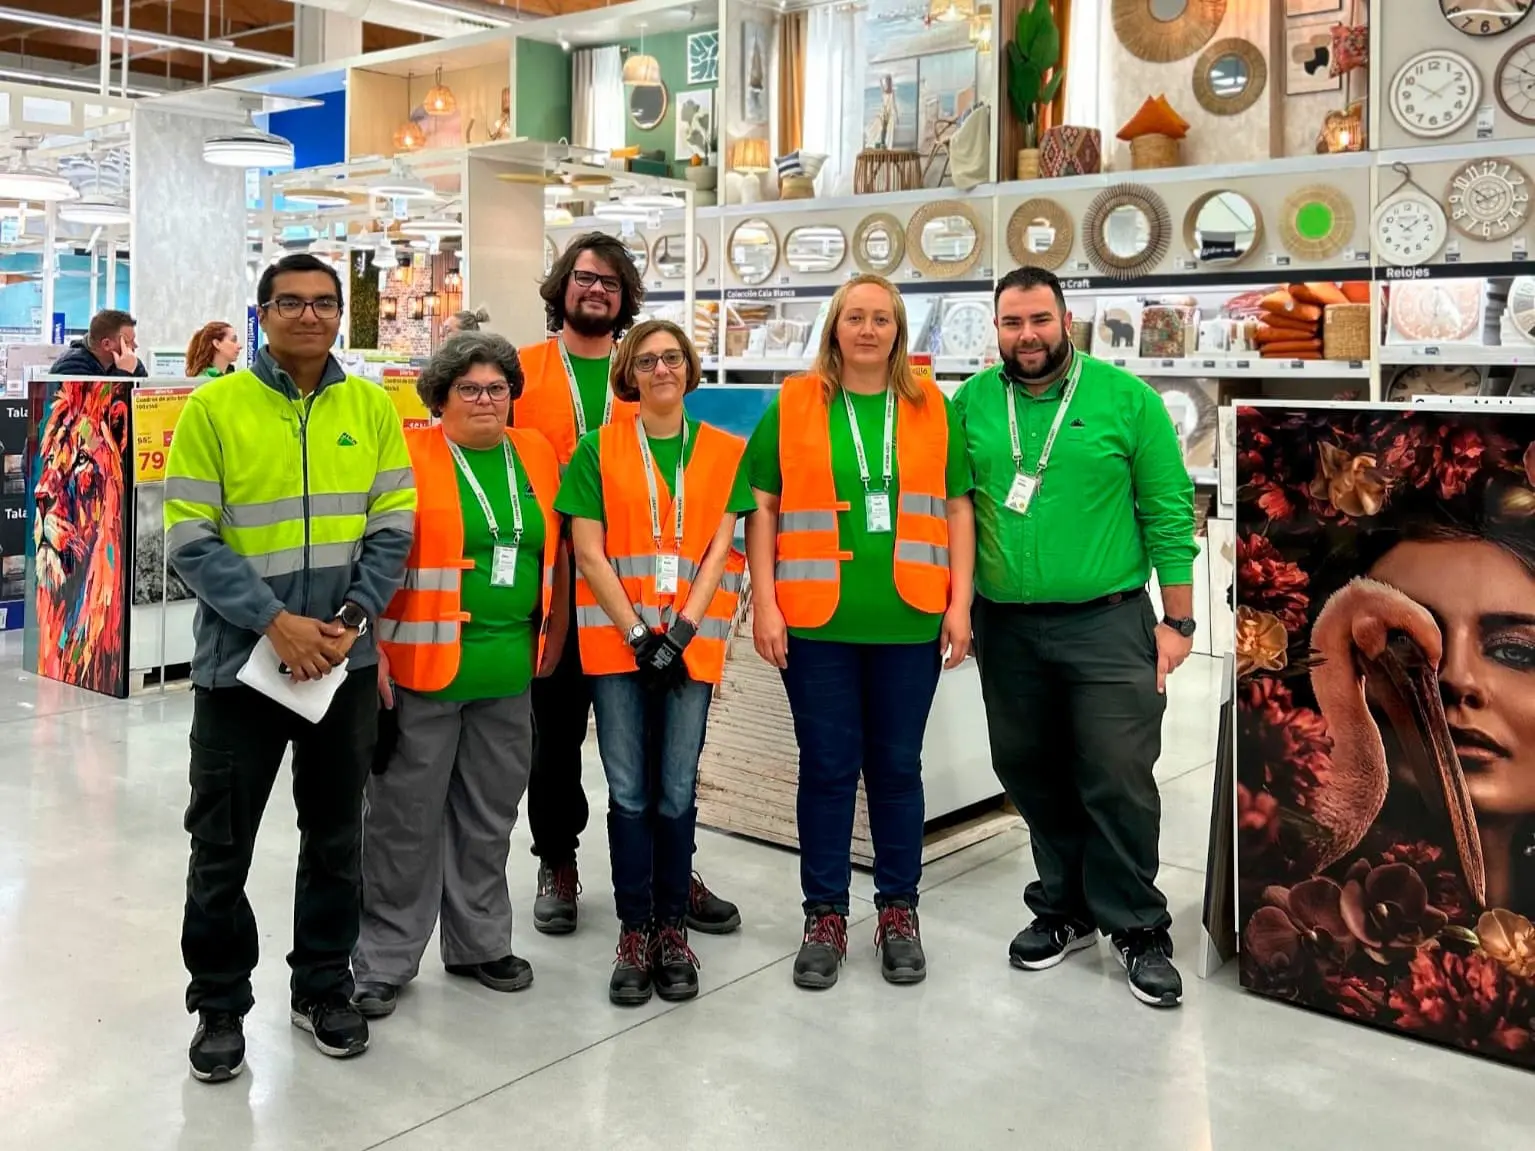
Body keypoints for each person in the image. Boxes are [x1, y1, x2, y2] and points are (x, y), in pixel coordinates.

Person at [164, 253, 416, 1081]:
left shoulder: (371, 407)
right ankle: (219, 1003)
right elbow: (190, 536)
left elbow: (393, 525)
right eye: (290, 302)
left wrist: (349, 622)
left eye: (323, 302)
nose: (309, 315)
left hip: (343, 662)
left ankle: (322, 986)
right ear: (263, 312)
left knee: (337, 836)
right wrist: (274, 622)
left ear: (340, 313)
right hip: (239, 665)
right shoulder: (214, 407)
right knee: (220, 843)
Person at [954, 265, 1197, 1009]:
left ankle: (1137, 925)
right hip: (1006, 625)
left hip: (1107, 621)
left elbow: (1167, 509)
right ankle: (1063, 907)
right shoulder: (971, 403)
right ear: (997, 329)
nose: (1026, 335)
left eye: (1039, 320)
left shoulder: (1126, 400)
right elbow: (953, 510)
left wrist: (1178, 620)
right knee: (1028, 768)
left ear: (1066, 321)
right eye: (1011, 322)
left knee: (1116, 773)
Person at [745, 274, 975, 990]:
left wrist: (960, 604)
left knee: (897, 770)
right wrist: (764, 602)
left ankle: (898, 912)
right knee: (826, 768)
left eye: (881, 318)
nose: (868, 330)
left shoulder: (931, 405)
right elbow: (762, 505)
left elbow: (958, 508)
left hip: (910, 616)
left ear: (899, 330)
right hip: (815, 620)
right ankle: (824, 915)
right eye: (855, 317)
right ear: (835, 328)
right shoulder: (794, 402)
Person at [516, 232, 739, 937]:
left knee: (657, 747)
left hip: (643, 599)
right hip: (556, 584)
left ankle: (670, 871)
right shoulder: (523, 370)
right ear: (562, 285)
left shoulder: (644, 369)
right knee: (554, 737)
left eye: (611, 284)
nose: (596, 291)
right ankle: (557, 858)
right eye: (585, 278)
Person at [352, 332, 564, 1019]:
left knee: (489, 816)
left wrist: (555, 636)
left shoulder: (536, 453)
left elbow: (553, 551)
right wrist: (372, 646)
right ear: (439, 397)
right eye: (468, 388)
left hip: (509, 673)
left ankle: (479, 942)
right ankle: (384, 956)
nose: (485, 400)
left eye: (497, 388)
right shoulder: (408, 455)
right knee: (402, 822)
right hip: (420, 672)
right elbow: (369, 556)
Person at [556, 319, 755, 1005]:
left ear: (690, 368)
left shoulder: (725, 451)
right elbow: (589, 553)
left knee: (675, 790)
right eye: (646, 360)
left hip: (689, 647)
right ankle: (633, 930)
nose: (661, 369)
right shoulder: (597, 449)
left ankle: (672, 928)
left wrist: (682, 631)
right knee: (629, 793)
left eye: (672, 358)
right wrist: (640, 635)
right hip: (618, 647)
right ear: (629, 374)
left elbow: (720, 550)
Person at [49, 308, 148, 377]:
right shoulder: (71, 367)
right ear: (106, 344)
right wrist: (123, 374)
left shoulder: (130, 363)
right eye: (126, 342)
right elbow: (95, 401)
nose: (135, 346)